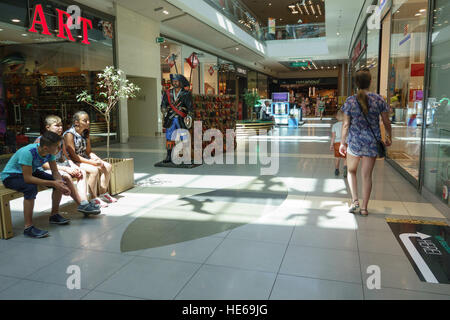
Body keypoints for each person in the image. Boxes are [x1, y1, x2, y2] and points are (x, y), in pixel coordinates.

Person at [339, 68, 392, 216]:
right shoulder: (379, 99)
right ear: (370, 82)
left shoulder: (350, 101)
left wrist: (342, 142)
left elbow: (345, 125)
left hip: (354, 142)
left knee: (351, 171)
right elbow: (387, 121)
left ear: (356, 83)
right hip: (371, 143)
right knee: (367, 176)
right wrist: (389, 136)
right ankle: (364, 208)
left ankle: (355, 201)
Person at [1, 131, 72, 238]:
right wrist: (53, 183)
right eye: (57, 146)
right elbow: (28, 178)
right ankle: (28, 227)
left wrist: (60, 183)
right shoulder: (28, 152)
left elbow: (55, 172)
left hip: (29, 172)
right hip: (11, 176)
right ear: (45, 148)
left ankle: (54, 215)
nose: (59, 149)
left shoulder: (50, 153)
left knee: (58, 182)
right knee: (30, 188)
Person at [35, 115, 100, 216]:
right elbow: (44, 165)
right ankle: (81, 204)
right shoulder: (41, 140)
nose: (60, 128)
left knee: (81, 172)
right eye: (57, 126)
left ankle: (84, 202)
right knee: (67, 176)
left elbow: (65, 156)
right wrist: (66, 169)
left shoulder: (61, 139)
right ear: (47, 127)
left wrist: (73, 166)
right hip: (46, 170)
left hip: (59, 165)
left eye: (61, 125)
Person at [64, 111, 116, 207]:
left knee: (107, 166)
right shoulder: (69, 134)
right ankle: (93, 198)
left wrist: (97, 160)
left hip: (83, 158)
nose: (88, 123)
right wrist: (91, 162)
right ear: (76, 122)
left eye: (88, 120)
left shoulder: (85, 133)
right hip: (73, 162)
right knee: (94, 170)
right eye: (85, 121)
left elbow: (89, 152)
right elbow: (73, 156)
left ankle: (103, 193)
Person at [161, 74, 193, 163]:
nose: (174, 83)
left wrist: (189, 117)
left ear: (181, 82)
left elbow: (190, 107)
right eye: (173, 81)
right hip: (170, 118)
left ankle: (186, 156)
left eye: (176, 81)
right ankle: (169, 156)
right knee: (169, 137)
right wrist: (164, 109)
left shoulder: (186, 94)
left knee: (184, 137)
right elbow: (163, 104)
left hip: (181, 118)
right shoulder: (167, 93)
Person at [330, 110, 347, 177]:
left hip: (337, 143)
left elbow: (333, 137)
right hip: (345, 143)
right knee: (345, 157)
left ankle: (336, 169)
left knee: (337, 157)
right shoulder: (346, 124)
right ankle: (345, 169)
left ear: (337, 117)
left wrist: (331, 144)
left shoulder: (334, 125)